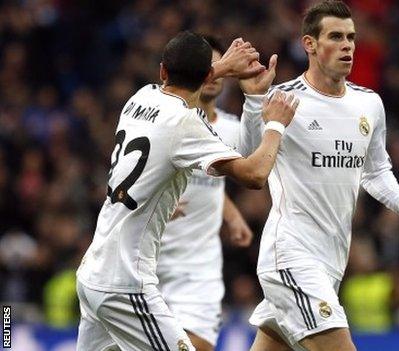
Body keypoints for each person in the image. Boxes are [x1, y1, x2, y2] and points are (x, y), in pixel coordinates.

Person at [75, 31, 298, 351]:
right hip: (126, 284)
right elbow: (254, 175)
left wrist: (222, 69)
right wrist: (275, 124)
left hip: (93, 272)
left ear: (163, 71)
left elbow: (187, 86)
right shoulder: (185, 124)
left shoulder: (141, 96)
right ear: (207, 76)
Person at [238, 2, 399, 350]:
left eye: (351, 38)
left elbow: (375, 171)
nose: (348, 46)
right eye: (336, 37)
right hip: (292, 254)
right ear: (309, 44)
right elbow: (250, 162)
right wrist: (254, 101)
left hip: (331, 261)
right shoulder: (285, 99)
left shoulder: (368, 103)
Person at [156, 35, 254, 351]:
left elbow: (218, 177)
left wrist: (232, 213)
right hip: (150, 258)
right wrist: (153, 200)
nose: (213, 72)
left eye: (218, 64)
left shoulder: (232, 130)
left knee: (199, 345)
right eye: (206, 66)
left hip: (199, 268)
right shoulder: (168, 121)